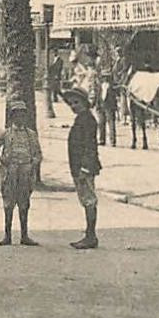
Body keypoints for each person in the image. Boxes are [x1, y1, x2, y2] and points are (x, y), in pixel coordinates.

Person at [0, 100, 43, 246]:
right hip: (10, 172)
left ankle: (24, 235)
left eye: (23, 115)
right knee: (8, 204)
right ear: (12, 117)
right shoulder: (5, 134)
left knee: (24, 204)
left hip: (25, 172)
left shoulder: (31, 134)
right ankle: (7, 235)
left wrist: (33, 164)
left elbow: (38, 154)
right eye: (17, 115)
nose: (20, 118)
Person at [61, 87, 102, 250]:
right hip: (78, 166)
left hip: (85, 167)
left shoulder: (87, 120)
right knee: (86, 200)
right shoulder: (81, 119)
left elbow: (90, 146)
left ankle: (91, 236)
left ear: (85, 103)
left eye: (76, 102)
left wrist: (85, 166)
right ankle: (89, 234)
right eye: (71, 104)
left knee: (89, 200)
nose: (73, 106)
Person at [45, 52, 65, 119]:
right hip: (53, 76)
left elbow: (59, 69)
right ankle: (56, 98)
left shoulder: (60, 60)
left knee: (56, 88)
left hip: (56, 76)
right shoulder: (54, 59)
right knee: (55, 88)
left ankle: (59, 97)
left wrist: (57, 75)